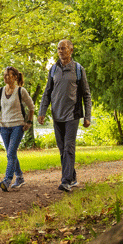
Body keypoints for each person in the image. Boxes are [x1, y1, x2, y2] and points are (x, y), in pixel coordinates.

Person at [38, 39, 92, 192]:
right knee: (62, 149)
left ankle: (66, 181)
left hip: (72, 115)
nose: (60, 51)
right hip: (57, 115)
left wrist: (88, 116)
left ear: (71, 50)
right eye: (58, 48)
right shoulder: (53, 69)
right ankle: (73, 177)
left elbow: (86, 94)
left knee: (68, 147)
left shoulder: (79, 69)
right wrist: (42, 112)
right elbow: (47, 92)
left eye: (64, 48)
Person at [0, 66, 36, 192]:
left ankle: (7, 179)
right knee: (12, 154)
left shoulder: (21, 91)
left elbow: (31, 107)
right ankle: (20, 177)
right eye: (4, 75)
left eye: (8, 75)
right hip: (4, 126)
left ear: (15, 77)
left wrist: (29, 122)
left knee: (10, 153)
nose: (5, 77)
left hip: (17, 126)